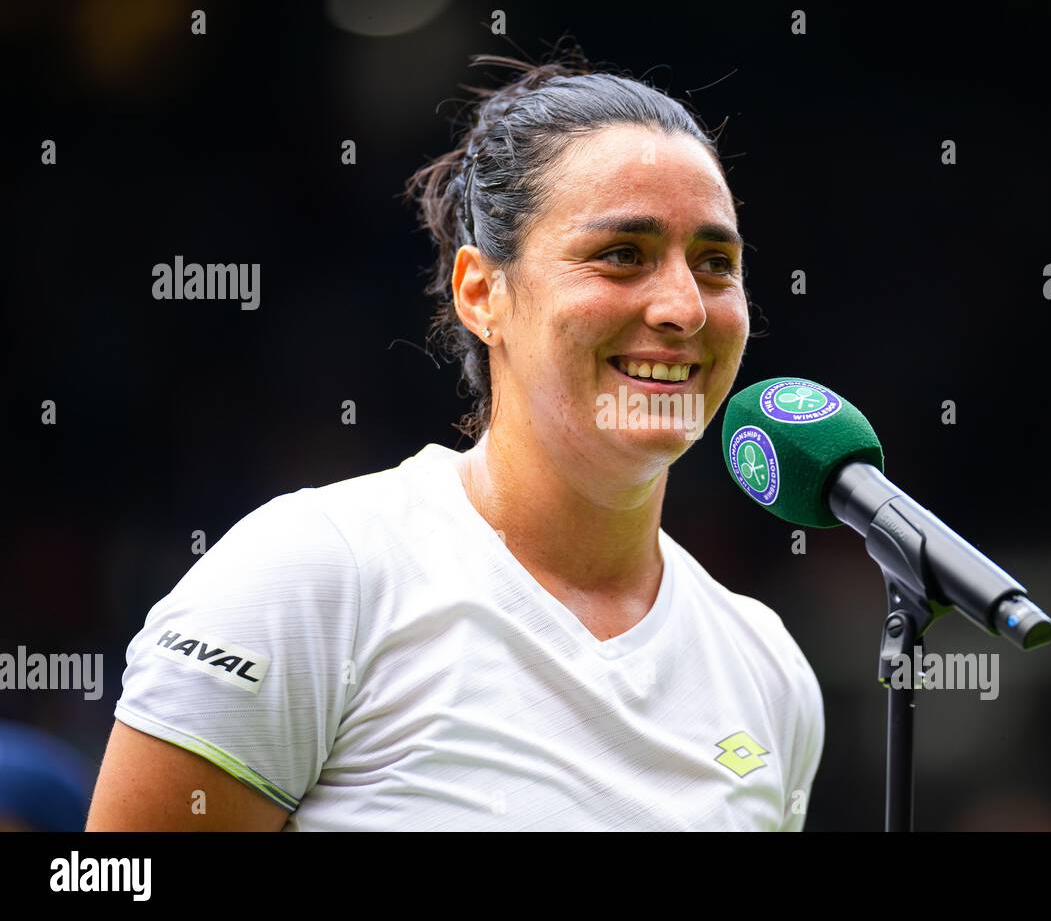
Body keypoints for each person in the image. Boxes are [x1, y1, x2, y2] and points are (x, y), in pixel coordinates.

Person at [86, 48, 824, 831]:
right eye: (621, 255)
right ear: (483, 293)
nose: (684, 307)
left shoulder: (767, 670)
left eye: (716, 263)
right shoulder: (313, 574)